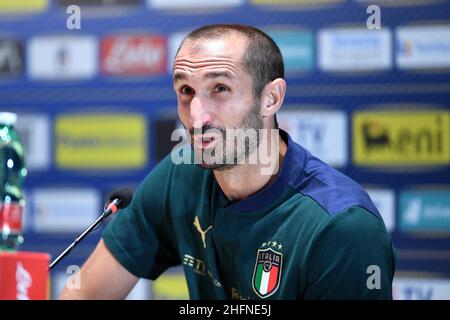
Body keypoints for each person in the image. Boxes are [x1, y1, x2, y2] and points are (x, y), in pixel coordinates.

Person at [59, 24, 396, 300]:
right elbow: (83, 294)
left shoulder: (341, 227)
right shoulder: (182, 172)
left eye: (220, 88)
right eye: (186, 91)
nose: (196, 117)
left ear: (271, 98)